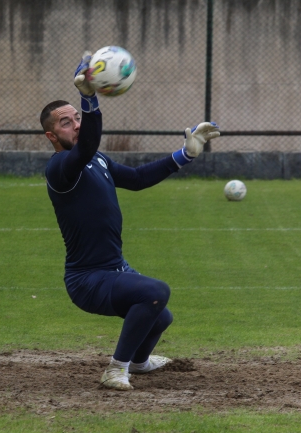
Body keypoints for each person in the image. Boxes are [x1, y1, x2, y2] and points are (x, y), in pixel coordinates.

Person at [40, 51, 221, 391]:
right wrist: (89, 98)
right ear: (52, 136)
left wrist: (185, 154)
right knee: (156, 292)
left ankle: (138, 362)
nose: (75, 124)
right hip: (87, 279)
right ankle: (115, 369)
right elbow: (88, 142)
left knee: (160, 315)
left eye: (76, 117)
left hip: (113, 268)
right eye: (65, 123)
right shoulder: (61, 169)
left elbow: (137, 179)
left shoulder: (97, 160)